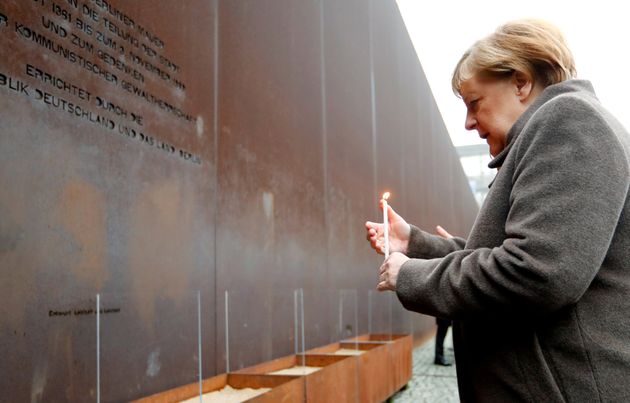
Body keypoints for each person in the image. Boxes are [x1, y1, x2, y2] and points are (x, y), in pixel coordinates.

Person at [365, 19, 630, 402]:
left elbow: (535, 272)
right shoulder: (557, 129)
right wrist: (415, 243)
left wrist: (409, 274)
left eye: (475, 103)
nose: (469, 122)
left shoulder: (569, 121)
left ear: (521, 82)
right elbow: (520, 255)